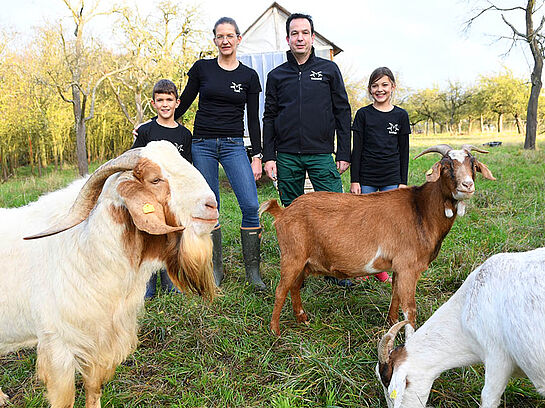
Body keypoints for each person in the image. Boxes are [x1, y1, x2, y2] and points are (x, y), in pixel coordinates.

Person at [146, 17, 266, 291]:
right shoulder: (202, 69)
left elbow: (254, 118)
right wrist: (151, 126)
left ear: (238, 39)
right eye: (220, 36)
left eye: (230, 36)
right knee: (211, 208)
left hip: (234, 144)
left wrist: (256, 154)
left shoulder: (248, 76)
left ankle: (254, 273)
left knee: (249, 205)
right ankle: (214, 271)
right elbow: (182, 104)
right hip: (202, 144)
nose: (225, 40)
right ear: (215, 40)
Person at [262, 12, 353, 288]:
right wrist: (269, 156)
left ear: (312, 37)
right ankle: (298, 270)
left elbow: (342, 111)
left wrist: (344, 152)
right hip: (287, 156)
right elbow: (269, 117)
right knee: (292, 216)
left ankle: (340, 271)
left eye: (305, 33)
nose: (299, 38)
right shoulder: (277, 76)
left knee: (335, 212)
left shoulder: (328, 70)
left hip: (321, 153)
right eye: (294, 33)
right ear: (288, 39)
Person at [131, 79, 192, 298]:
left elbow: (186, 169)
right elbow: (135, 163)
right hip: (149, 198)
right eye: (160, 100)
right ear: (153, 103)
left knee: (172, 238)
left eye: (169, 100)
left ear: (177, 102)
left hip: (172, 199)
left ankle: (171, 282)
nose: (165, 104)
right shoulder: (146, 132)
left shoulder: (185, 135)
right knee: (149, 238)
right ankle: (147, 287)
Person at [350, 67, 411, 284]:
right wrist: (355, 180)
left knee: (389, 224)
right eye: (375, 86)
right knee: (365, 223)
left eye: (384, 85)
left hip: (391, 177)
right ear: (370, 89)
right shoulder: (363, 115)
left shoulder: (401, 116)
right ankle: (365, 267)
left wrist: (402, 182)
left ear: (393, 87)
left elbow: (404, 152)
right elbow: (356, 150)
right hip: (366, 176)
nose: (380, 90)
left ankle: (385, 265)